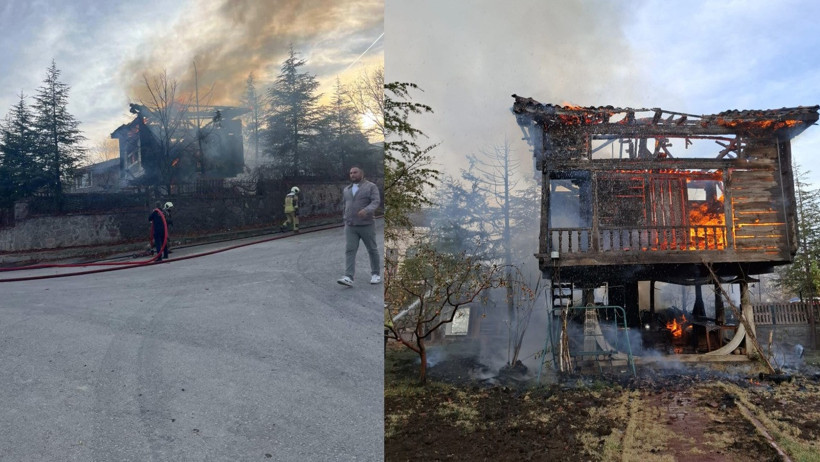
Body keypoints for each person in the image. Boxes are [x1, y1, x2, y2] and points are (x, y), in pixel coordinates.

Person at [337, 166, 381, 287]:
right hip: (351, 226)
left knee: (372, 249)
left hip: (366, 224)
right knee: (350, 250)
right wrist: (345, 218)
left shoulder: (370, 186)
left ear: (362, 173)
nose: (352, 175)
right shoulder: (347, 189)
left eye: (355, 172)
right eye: (351, 173)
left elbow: (376, 201)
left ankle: (376, 274)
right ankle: (348, 276)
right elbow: (345, 205)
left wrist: (366, 210)